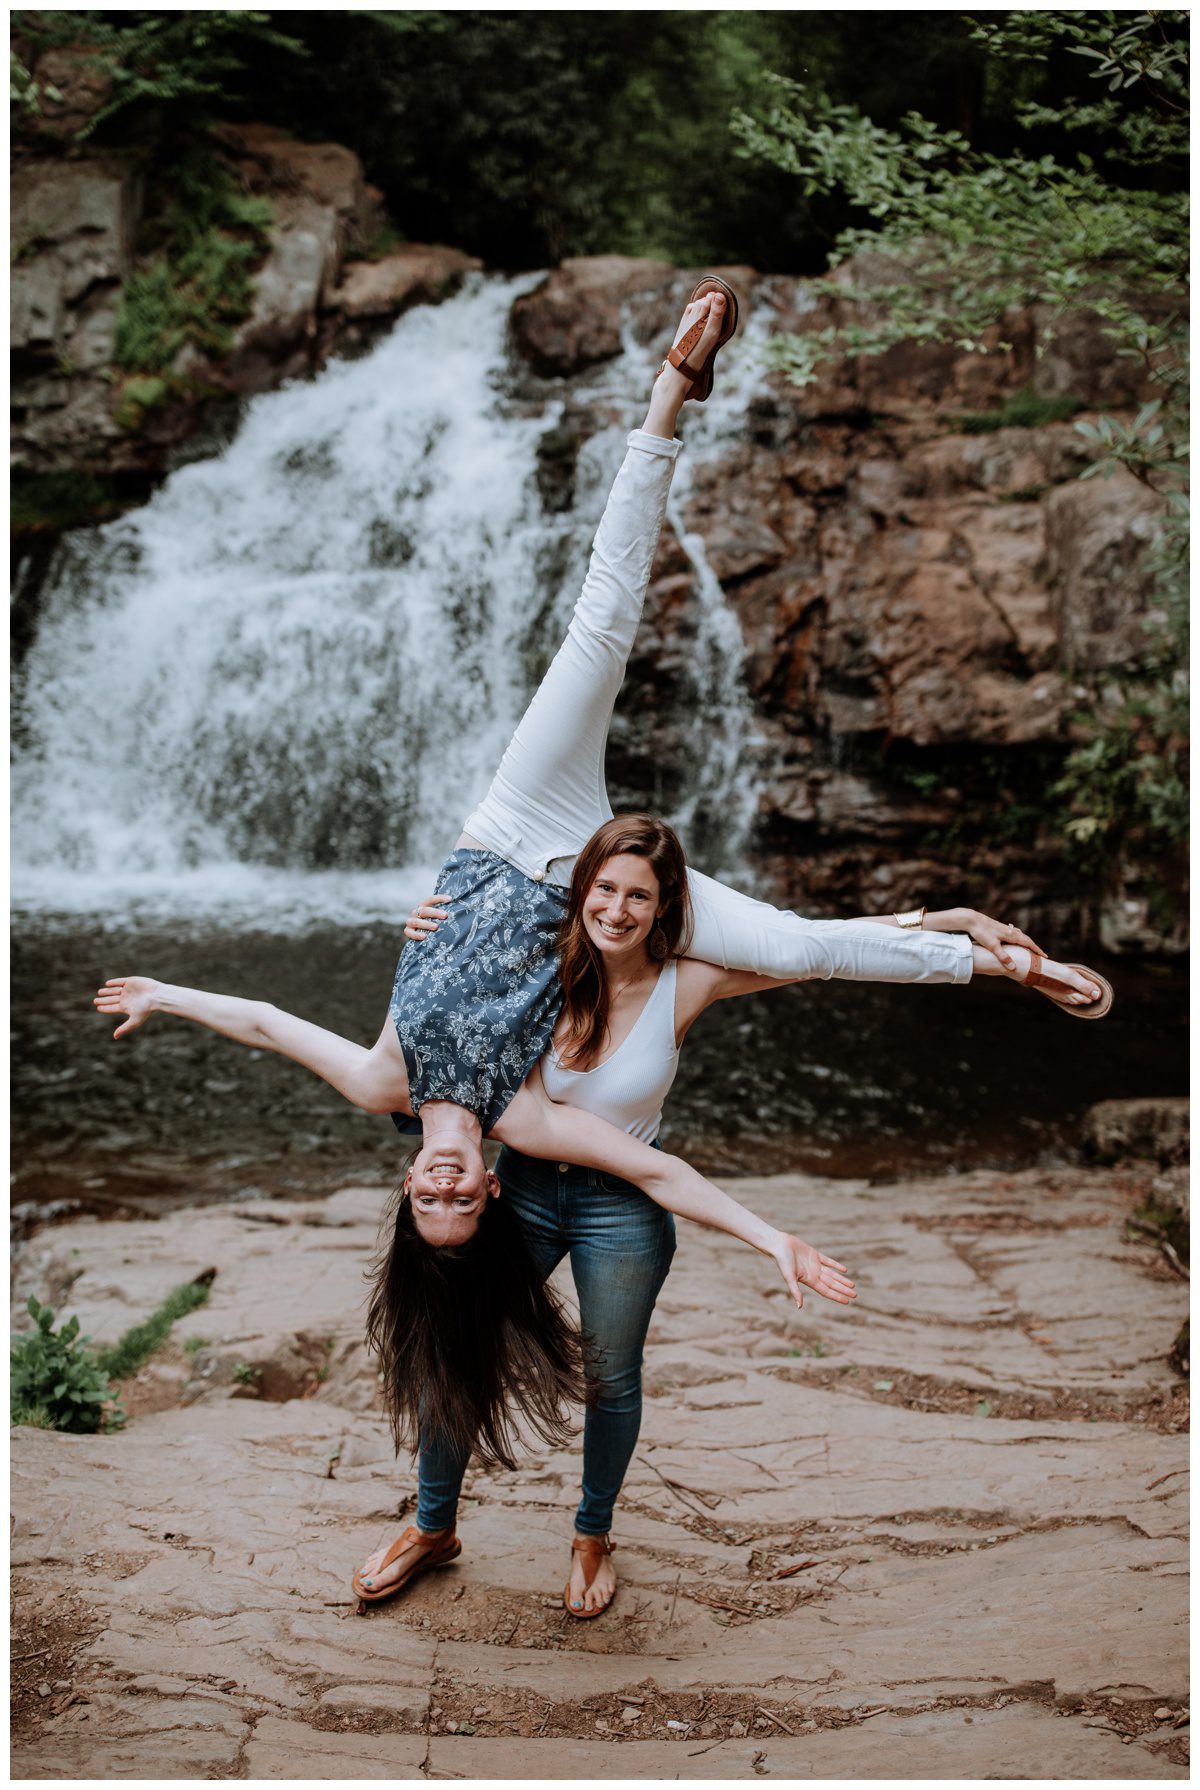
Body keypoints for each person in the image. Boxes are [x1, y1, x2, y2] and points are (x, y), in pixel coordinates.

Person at [94, 281, 1110, 1617]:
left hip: (518, 821)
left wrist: (171, 990)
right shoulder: (520, 1114)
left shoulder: (386, 1078)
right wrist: (772, 1234)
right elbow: (656, 1157)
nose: (450, 1182)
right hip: (604, 886)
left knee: (600, 623)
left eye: (433, 1195)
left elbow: (271, 1024)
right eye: (464, 1199)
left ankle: (670, 394)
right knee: (801, 946)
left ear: (414, 1179)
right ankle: (1005, 964)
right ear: (484, 1186)